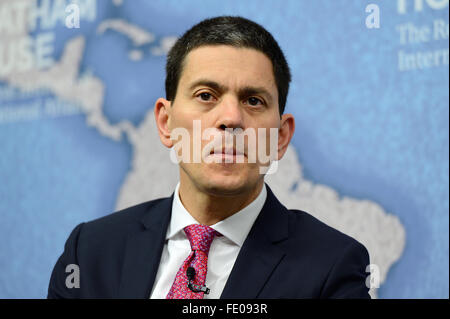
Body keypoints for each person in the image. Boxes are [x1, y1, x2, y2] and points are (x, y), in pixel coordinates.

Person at [48, 16, 371, 299]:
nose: (230, 118)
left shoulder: (331, 267)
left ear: (281, 137)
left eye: (254, 101)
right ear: (165, 123)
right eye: (206, 96)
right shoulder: (90, 253)